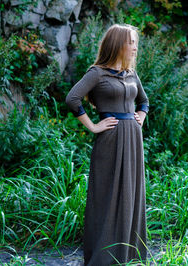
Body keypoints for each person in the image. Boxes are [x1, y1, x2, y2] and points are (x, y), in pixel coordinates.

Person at [65, 24, 149, 265]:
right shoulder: (97, 73)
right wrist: (92, 126)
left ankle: (129, 255)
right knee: (107, 194)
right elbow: (72, 98)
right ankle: (104, 257)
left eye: (135, 42)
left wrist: (141, 117)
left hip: (133, 140)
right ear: (117, 44)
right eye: (130, 42)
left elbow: (144, 101)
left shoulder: (132, 74)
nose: (135, 46)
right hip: (110, 140)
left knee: (131, 193)